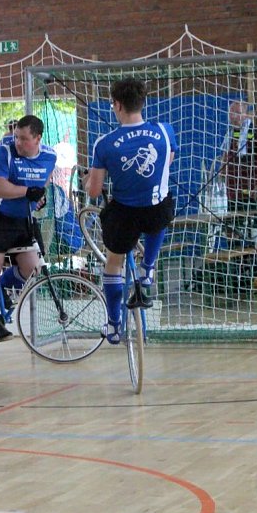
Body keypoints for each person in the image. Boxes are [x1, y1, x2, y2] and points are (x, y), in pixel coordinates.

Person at [83, 78, 178, 344]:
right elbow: (167, 163)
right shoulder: (164, 130)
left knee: (114, 262)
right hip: (157, 211)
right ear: (142, 103)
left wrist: (89, 179)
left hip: (125, 216)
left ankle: (113, 324)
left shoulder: (104, 143)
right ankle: (148, 269)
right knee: (162, 204)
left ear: (117, 105)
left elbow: (94, 191)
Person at [0, 114, 55, 342]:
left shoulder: (50, 156)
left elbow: (43, 182)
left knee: (33, 269)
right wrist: (26, 192)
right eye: (16, 137)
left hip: (23, 217)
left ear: (37, 138)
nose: (18, 143)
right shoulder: (5, 150)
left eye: (24, 139)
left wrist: (38, 198)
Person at [221, 100, 257, 213]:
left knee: (253, 227)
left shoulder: (255, 134)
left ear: (245, 115)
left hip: (251, 192)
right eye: (231, 112)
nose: (233, 116)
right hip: (232, 193)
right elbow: (225, 156)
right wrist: (221, 174)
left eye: (237, 112)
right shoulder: (230, 134)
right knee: (231, 226)